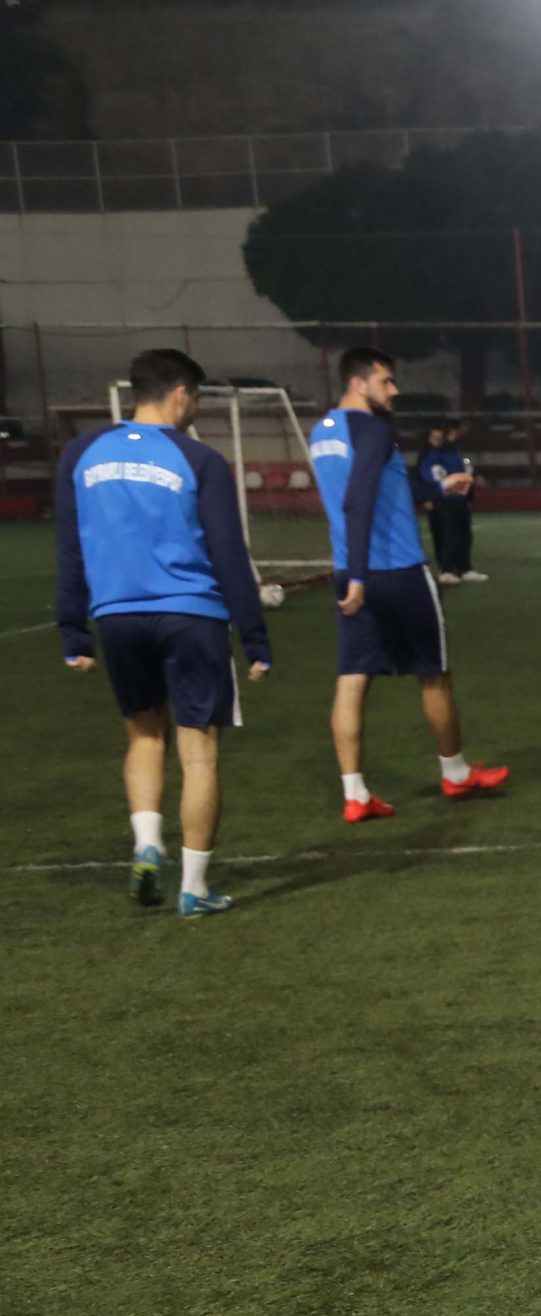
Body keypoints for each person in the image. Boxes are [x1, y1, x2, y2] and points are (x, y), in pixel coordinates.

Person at [54, 348, 272, 915]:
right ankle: (193, 887)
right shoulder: (199, 460)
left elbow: (70, 547)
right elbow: (228, 553)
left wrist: (73, 632)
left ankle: (147, 842)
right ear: (181, 393)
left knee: (144, 736)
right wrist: (255, 636)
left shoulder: (80, 454)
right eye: (195, 398)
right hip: (191, 614)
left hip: (116, 616)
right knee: (198, 752)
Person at [311, 348, 508, 822]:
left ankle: (354, 793)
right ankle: (456, 773)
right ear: (359, 384)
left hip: (350, 570)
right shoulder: (374, 429)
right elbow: (358, 501)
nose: (394, 390)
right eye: (386, 381)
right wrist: (361, 571)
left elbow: (375, 494)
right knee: (434, 673)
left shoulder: (322, 432)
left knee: (352, 679)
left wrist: (440, 488)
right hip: (396, 570)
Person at [418, 420, 483, 585]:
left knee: (465, 535)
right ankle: (446, 570)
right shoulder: (434, 454)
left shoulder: (456, 452)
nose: (457, 434)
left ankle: (465, 568)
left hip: (459, 499)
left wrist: (468, 495)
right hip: (445, 500)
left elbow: (466, 472)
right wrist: (432, 497)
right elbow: (433, 477)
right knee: (449, 535)